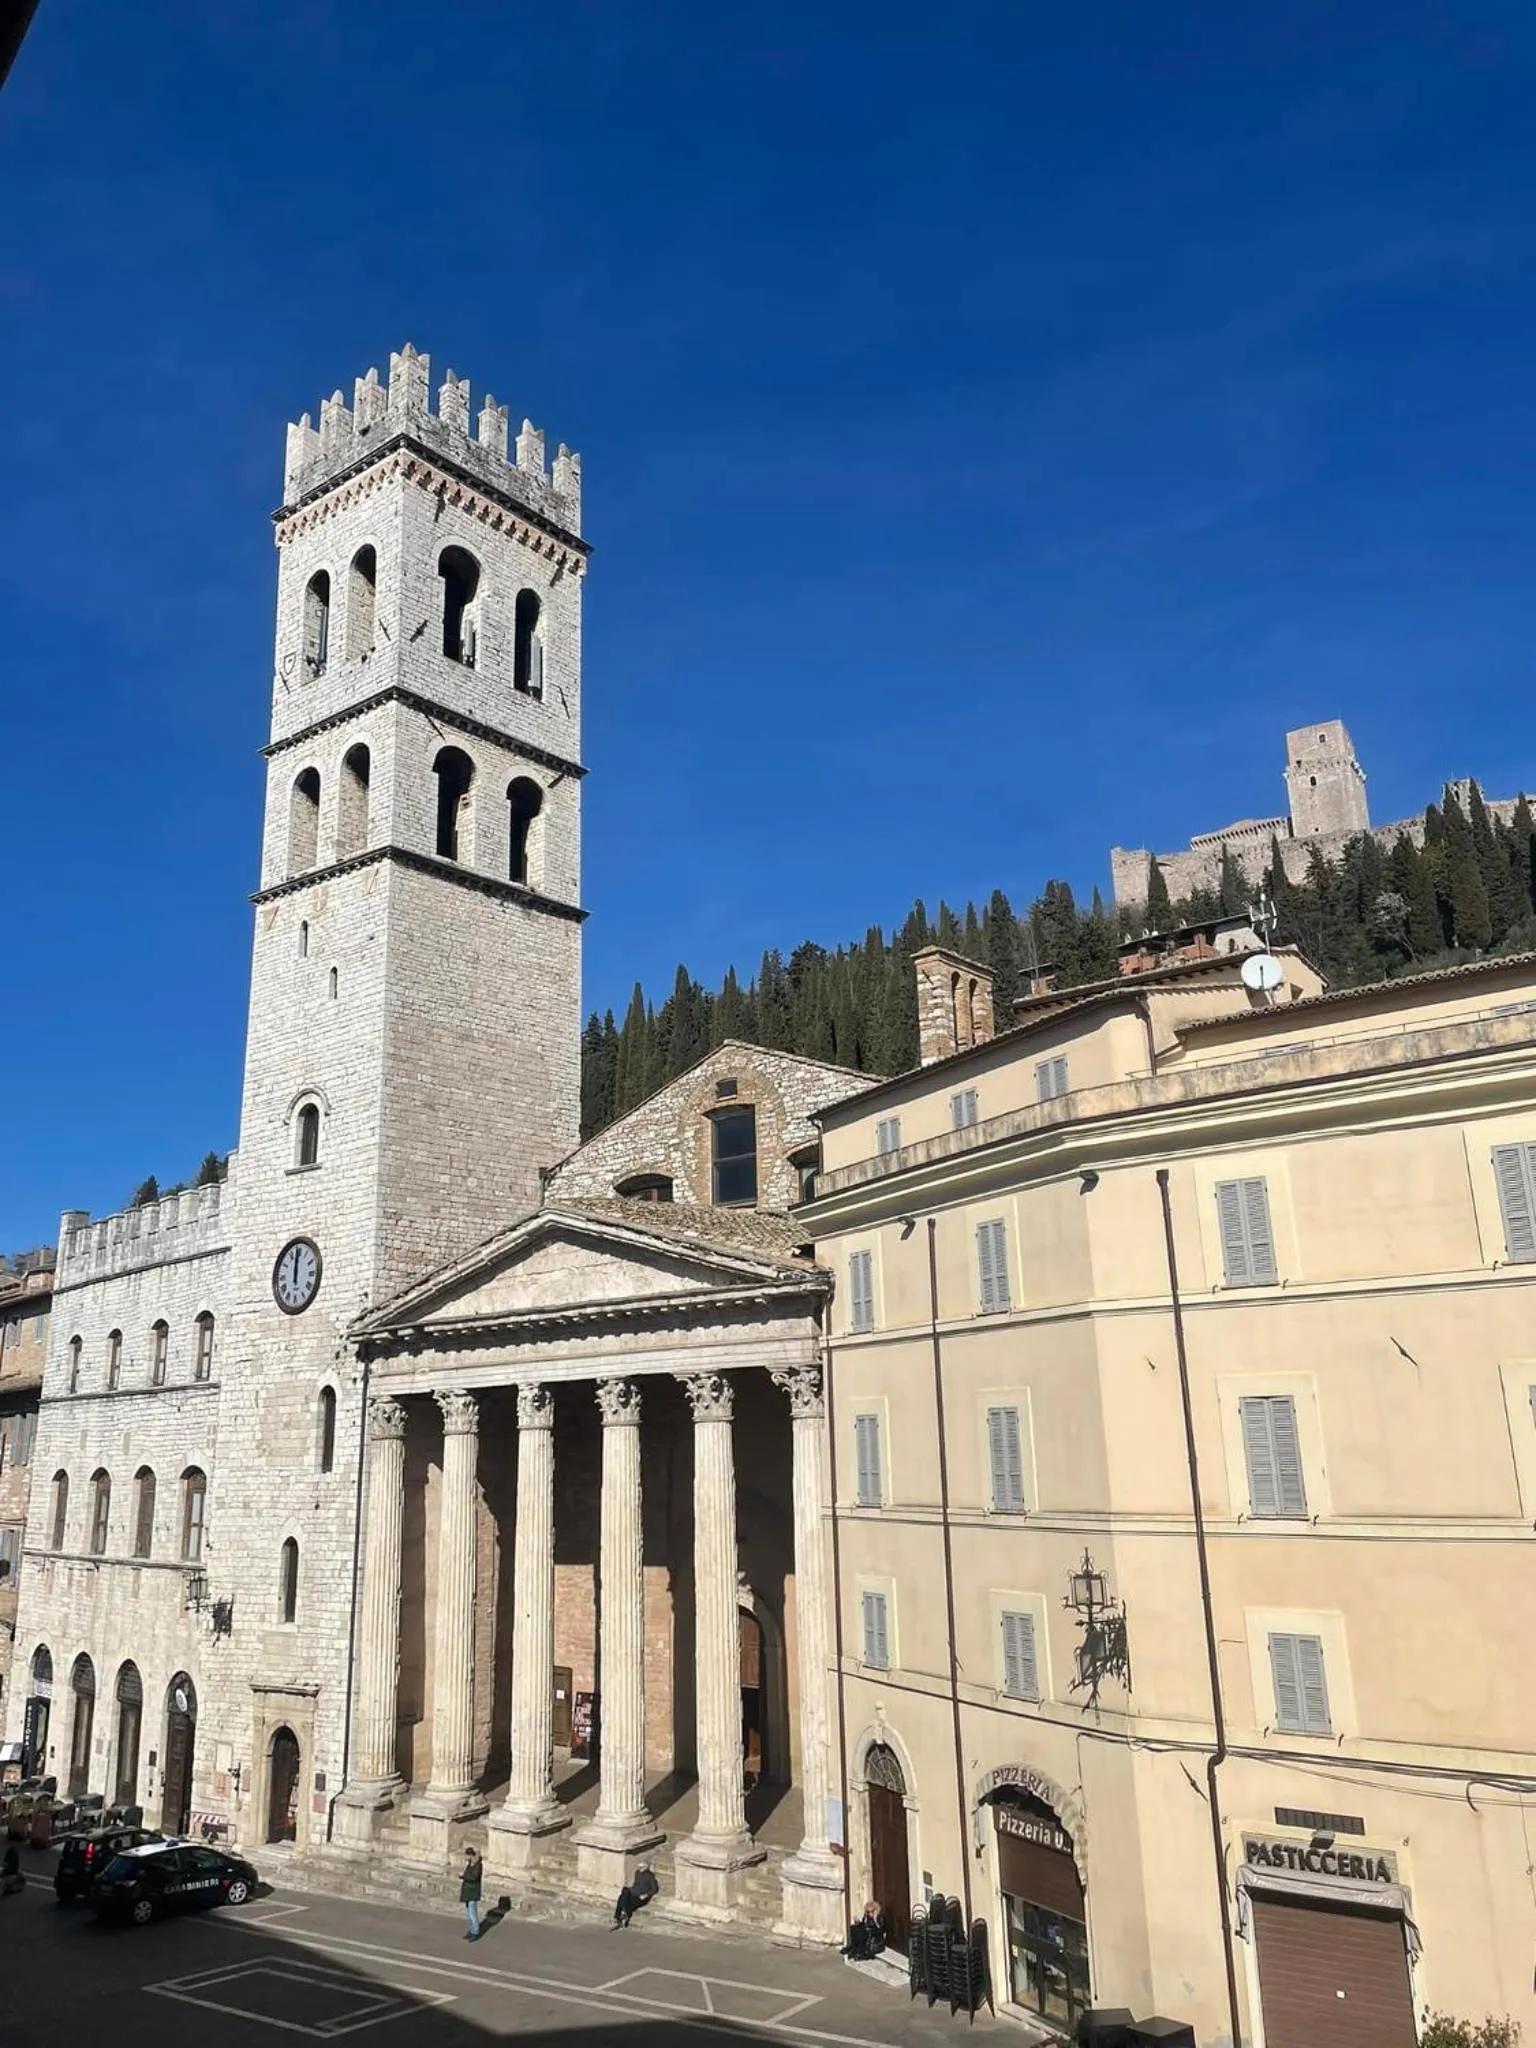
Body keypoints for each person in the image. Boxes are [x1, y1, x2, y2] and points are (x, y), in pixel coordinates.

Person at [613, 1861, 659, 1928]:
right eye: (639, 1867)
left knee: (624, 1899)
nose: (640, 1868)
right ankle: (621, 1915)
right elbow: (636, 1884)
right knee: (624, 1893)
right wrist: (631, 1889)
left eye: (641, 1867)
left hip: (641, 1896)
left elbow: (654, 1889)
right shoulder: (637, 1873)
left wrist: (646, 1895)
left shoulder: (650, 1876)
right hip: (634, 1892)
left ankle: (623, 1915)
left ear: (646, 1867)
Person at [459, 1845, 483, 1941]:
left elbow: (473, 1877)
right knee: (469, 1913)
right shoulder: (470, 1864)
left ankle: (475, 1932)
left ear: (470, 1855)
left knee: (472, 1913)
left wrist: (463, 1876)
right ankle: (471, 1930)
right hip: (468, 1890)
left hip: (473, 1891)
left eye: (466, 1856)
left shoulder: (478, 1865)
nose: (465, 1858)